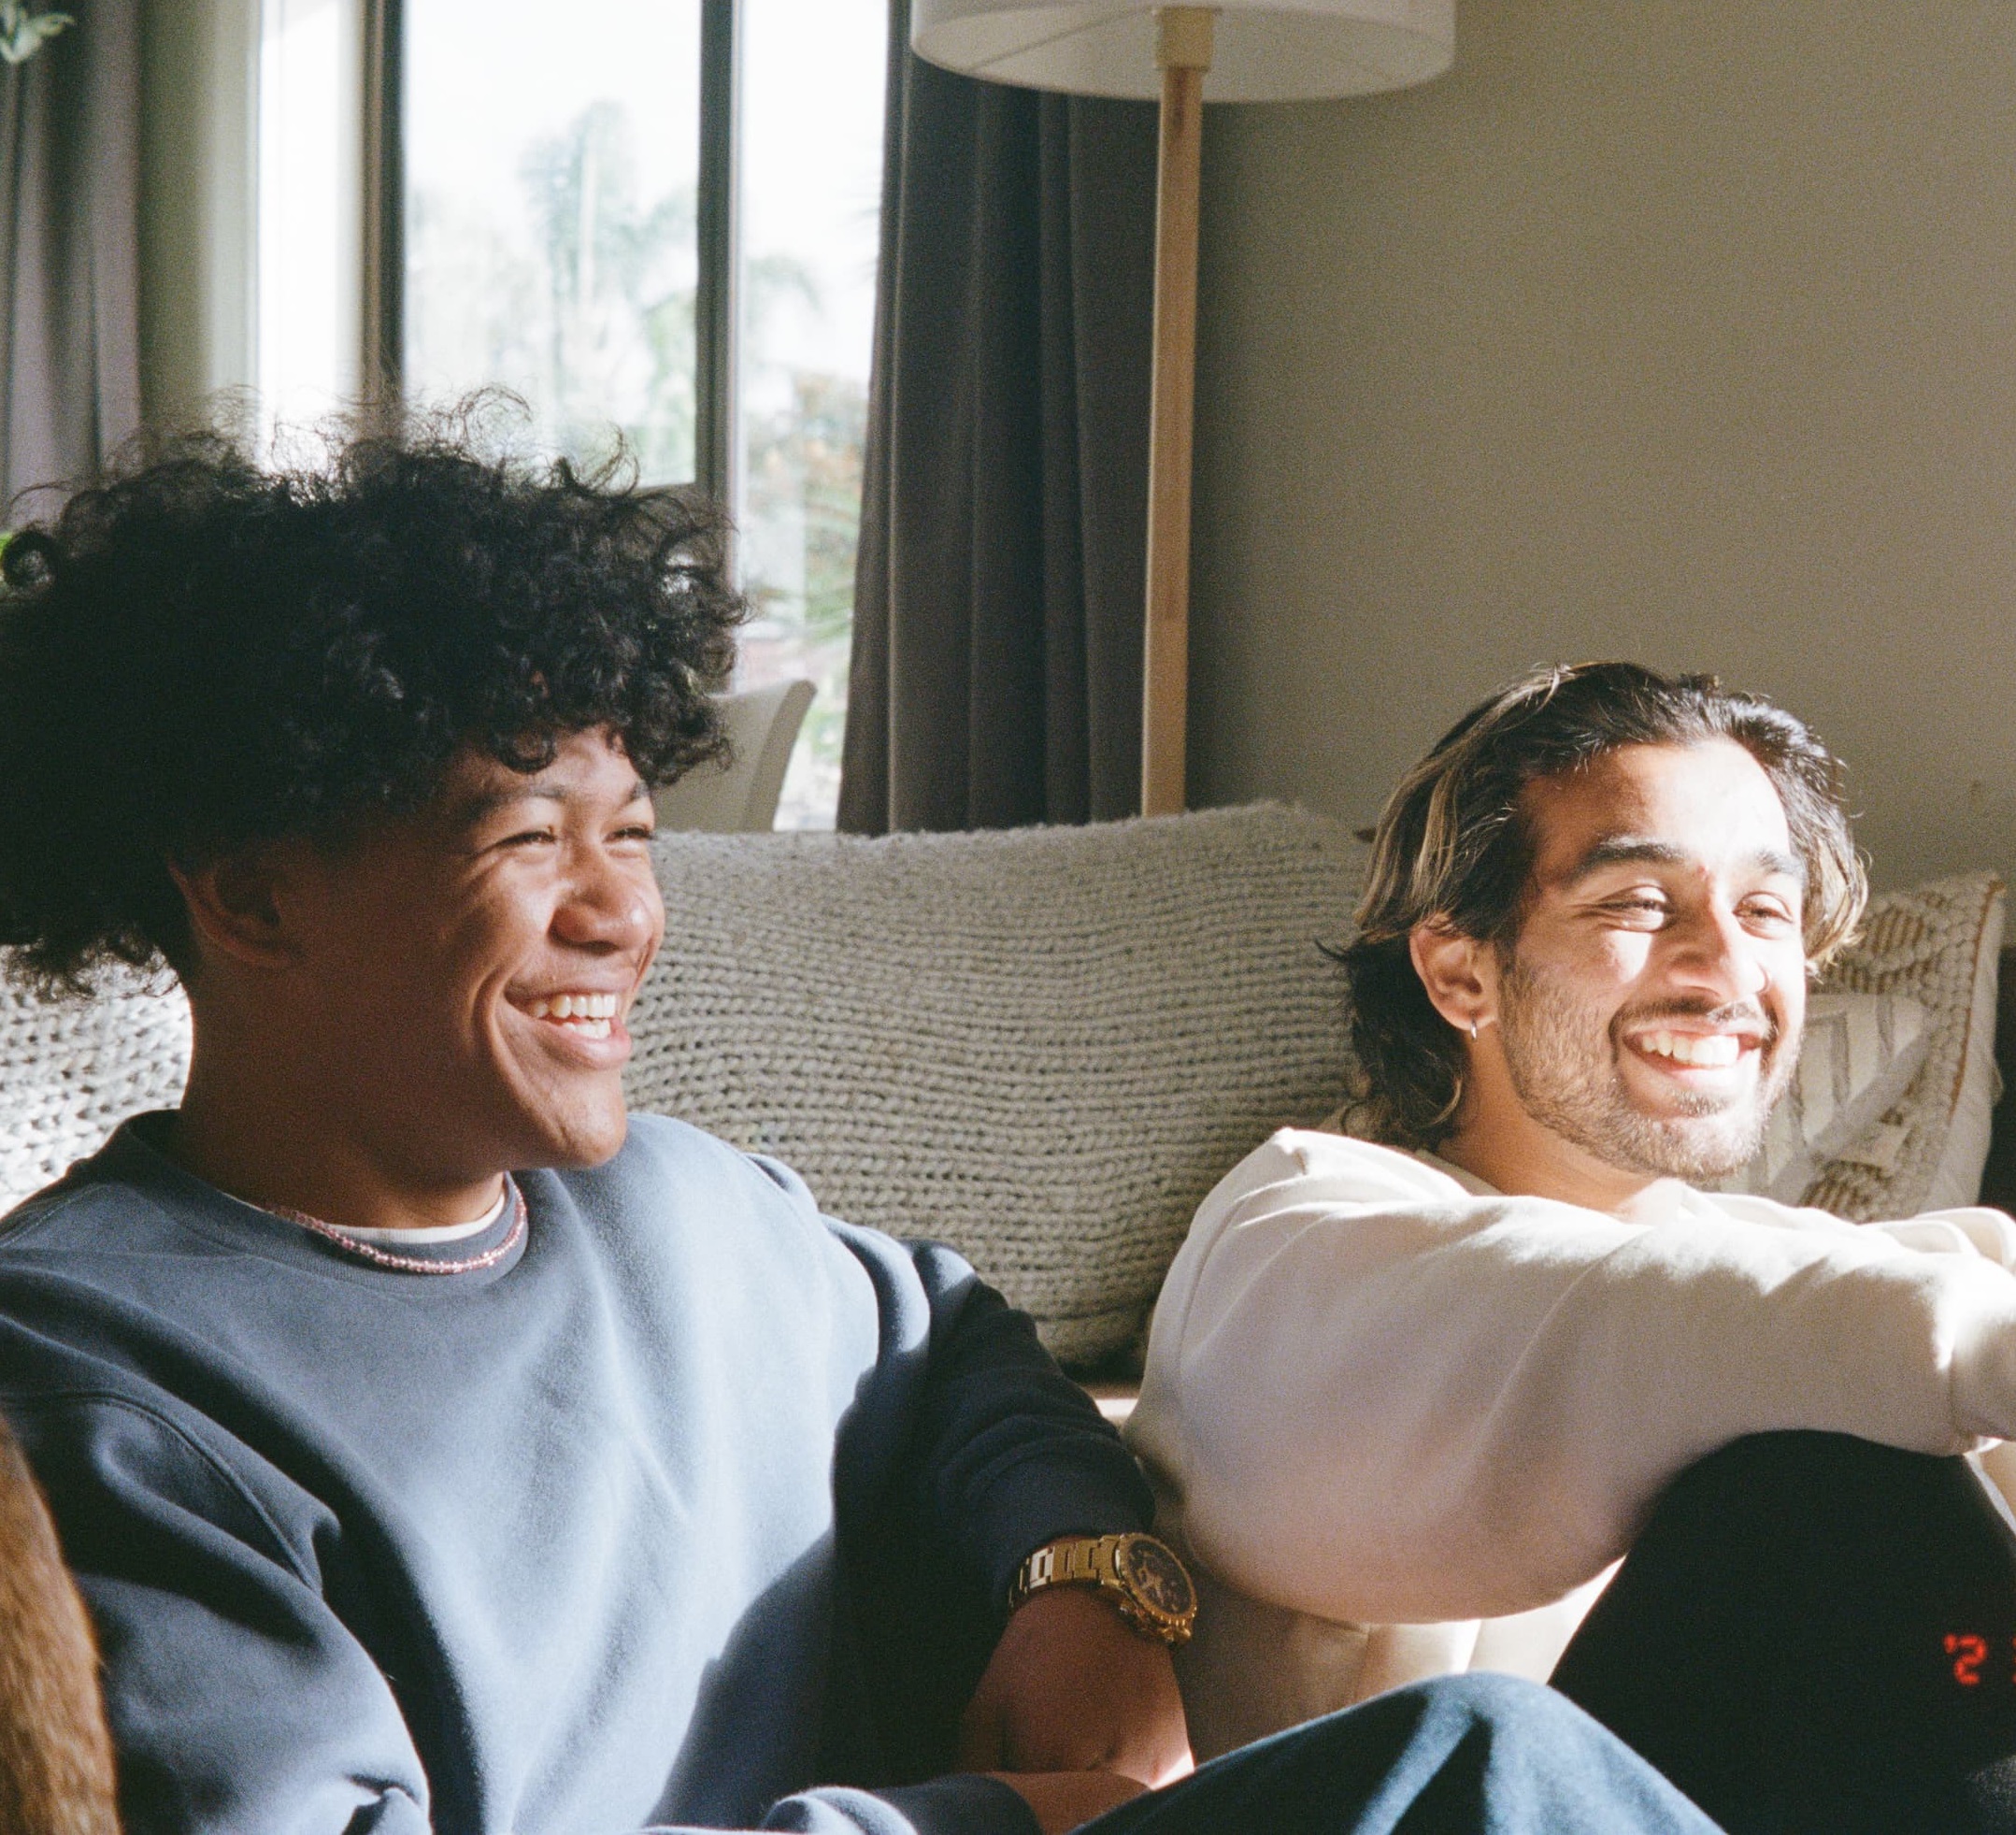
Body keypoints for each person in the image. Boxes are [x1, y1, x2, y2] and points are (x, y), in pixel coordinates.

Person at [0, 424, 1721, 1835]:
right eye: (529, 840)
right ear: (252, 899)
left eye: (639, 834)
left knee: (1801, 1531)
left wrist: (1089, 1578)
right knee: (1487, 1765)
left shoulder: (691, 1209)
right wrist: (989, 1817)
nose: (620, 914)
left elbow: (954, 1341)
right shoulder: (92, 1367)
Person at [1127, 661, 2016, 1833]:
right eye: (1637, 903)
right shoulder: (1293, 1239)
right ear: (1458, 969)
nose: (1728, 967)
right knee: (1824, 1467)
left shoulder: (1749, 1257)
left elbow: (1920, 1269)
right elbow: (1622, 1326)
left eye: (1764, 910)